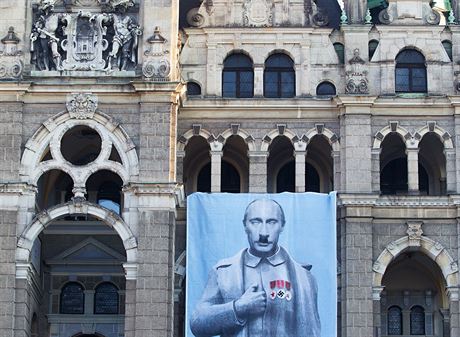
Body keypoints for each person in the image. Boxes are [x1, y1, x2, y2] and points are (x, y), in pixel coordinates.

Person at [190, 199, 320, 337]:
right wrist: (238, 308)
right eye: (256, 222)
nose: (263, 232)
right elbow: (197, 323)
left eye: (271, 222)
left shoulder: (303, 278)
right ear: (245, 225)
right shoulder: (223, 272)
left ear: (282, 226)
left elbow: (311, 332)